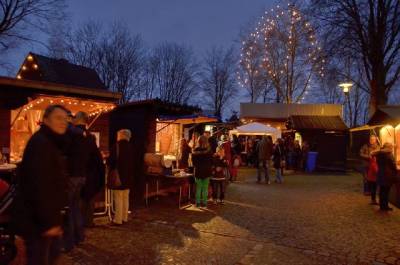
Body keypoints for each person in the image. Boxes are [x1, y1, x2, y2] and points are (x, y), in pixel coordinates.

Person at [13, 105, 69, 265]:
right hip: (38, 223)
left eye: (65, 119)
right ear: (46, 120)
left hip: (43, 220)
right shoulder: (42, 144)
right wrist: (50, 223)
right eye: (58, 118)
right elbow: (40, 187)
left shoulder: (49, 142)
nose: (63, 122)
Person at [63, 111, 92, 251]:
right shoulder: (88, 136)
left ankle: (68, 243)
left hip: (72, 175)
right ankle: (79, 236)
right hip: (82, 175)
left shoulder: (73, 133)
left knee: (68, 209)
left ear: (77, 119)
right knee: (75, 208)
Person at [77, 113, 105, 228]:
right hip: (91, 177)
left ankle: (79, 224)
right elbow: (99, 162)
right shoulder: (90, 140)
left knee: (80, 202)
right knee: (88, 201)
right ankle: (87, 223)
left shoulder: (73, 136)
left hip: (80, 176)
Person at [108, 129, 134, 225]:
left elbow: (110, 161)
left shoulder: (116, 146)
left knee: (118, 198)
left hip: (118, 177)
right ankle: (124, 218)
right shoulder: (131, 147)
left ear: (121, 135)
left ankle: (118, 220)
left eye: (118, 135)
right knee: (125, 198)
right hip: (128, 177)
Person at [192, 135, 213, 208]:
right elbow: (211, 161)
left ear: (198, 141)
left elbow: (193, 163)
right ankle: (204, 203)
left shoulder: (195, 150)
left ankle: (197, 203)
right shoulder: (209, 150)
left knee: (198, 188)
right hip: (207, 171)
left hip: (198, 171)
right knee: (205, 188)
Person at [375, 143, 398, 211]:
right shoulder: (388, 154)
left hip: (381, 174)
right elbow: (393, 165)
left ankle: (382, 206)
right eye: (391, 147)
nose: (391, 148)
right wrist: (395, 169)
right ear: (388, 148)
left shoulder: (379, 154)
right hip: (387, 175)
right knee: (386, 191)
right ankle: (385, 206)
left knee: (382, 191)